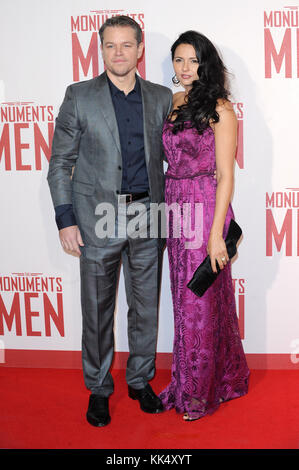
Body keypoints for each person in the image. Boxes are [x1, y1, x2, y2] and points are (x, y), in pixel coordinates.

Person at [47, 15, 172, 427]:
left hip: (149, 214)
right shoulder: (79, 96)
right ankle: (99, 389)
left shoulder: (161, 97)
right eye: (110, 46)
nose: (118, 53)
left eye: (126, 45)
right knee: (97, 310)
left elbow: (177, 158)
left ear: (140, 50)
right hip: (97, 218)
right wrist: (66, 220)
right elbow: (60, 163)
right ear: (101, 50)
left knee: (145, 307)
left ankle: (140, 380)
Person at [159, 31, 250, 421]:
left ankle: (198, 394)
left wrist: (217, 234)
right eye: (179, 60)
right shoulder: (172, 102)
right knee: (185, 301)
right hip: (174, 209)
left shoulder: (221, 108)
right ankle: (195, 380)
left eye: (193, 60)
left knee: (200, 301)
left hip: (204, 208)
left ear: (206, 62)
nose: (185, 68)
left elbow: (226, 175)